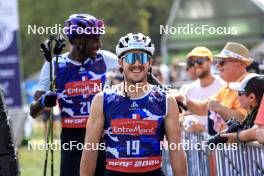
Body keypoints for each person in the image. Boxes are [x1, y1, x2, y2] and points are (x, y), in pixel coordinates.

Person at [80, 33, 187, 176]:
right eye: (130, 58)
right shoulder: (102, 100)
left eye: (142, 58)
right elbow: (90, 150)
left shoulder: (166, 100)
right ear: (120, 62)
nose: (137, 64)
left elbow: (176, 150)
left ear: (150, 62)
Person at [30, 14, 119, 176]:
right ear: (79, 41)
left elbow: (139, 68)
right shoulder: (56, 65)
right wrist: (44, 101)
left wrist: (165, 93)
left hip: (102, 135)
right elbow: (33, 111)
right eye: (95, 40)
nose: (99, 45)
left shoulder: (105, 59)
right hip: (72, 139)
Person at [176, 42, 253, 134]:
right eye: (217, 62)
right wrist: (184, 100)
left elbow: (245, 120)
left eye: (222, 62)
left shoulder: (250, 84)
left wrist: (219, 108)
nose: (217, 66)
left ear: (240, 64)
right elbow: (204, 108)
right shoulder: (228, 87)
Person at [180, 47, 226, 133]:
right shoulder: (189, 89)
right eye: (192, 62)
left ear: (210, 61)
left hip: (218, 145)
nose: (196, 65)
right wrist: (187, 123)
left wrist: (205, 128)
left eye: (200, 61)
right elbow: (182, 116)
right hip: (195, 145)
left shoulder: (223, 86)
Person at [220, 74, 264, 142]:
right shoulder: (251, 115)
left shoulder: (256, 115)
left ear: (251, 97)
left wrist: (237, 136)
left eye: (239, 93)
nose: (237, 97)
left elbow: (259, 132)